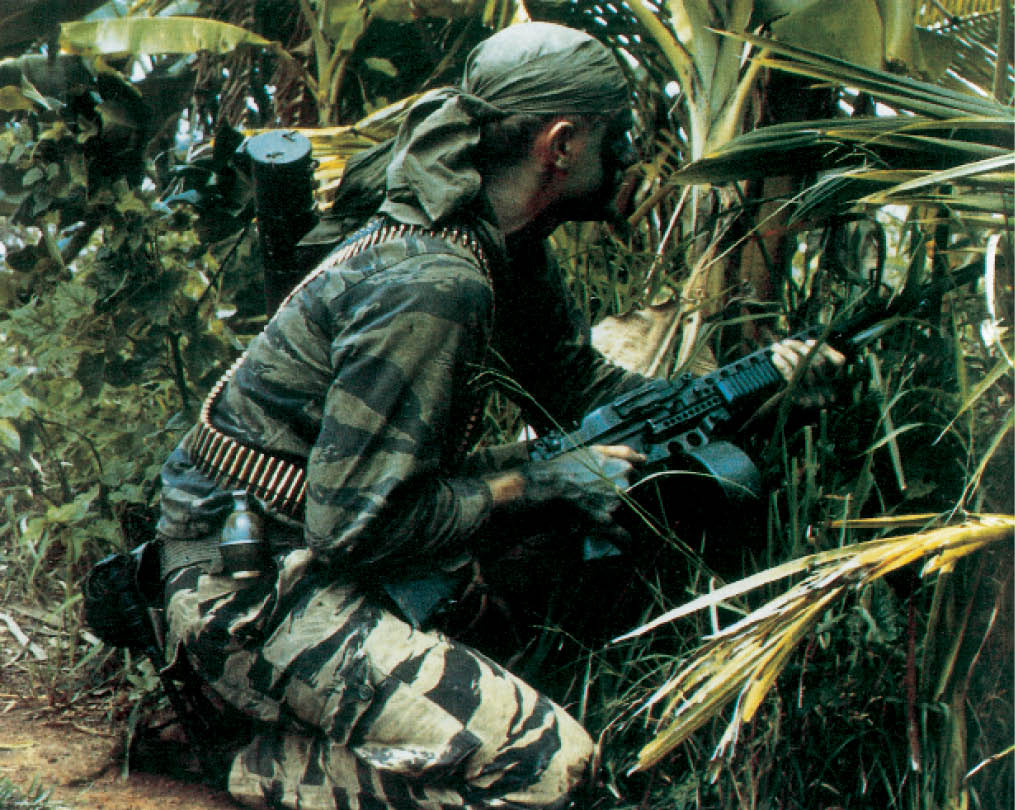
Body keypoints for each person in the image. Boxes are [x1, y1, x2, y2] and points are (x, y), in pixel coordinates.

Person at [154, 21, 841, 810]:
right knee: (548, 774)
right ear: (561, 144)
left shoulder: (502, 247)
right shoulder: (434, 283)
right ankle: (240, 758)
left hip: (319, 541)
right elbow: (354, 528)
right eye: (616, 135)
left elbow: (577, 387)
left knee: (565, 528)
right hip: (250, 587)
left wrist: (752, 385)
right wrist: (531, 485)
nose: (628, 156)